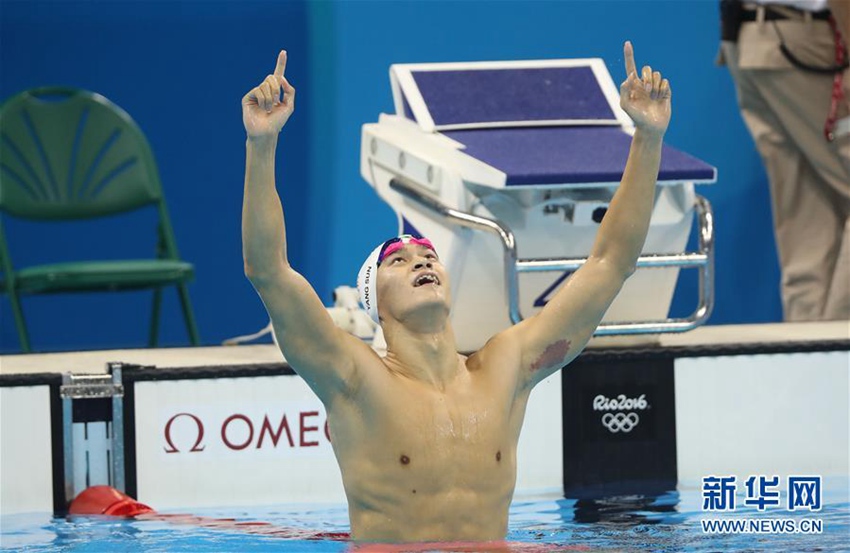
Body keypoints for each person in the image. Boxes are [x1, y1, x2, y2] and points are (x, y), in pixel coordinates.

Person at [241, 42, 671, 543]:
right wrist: (262, 144)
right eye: (397, 262)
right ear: (374, 305)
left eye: (428, 256)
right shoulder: (353, 379)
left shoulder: (505, 369)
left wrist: (648, 138)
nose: (421, 261)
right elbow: (268, 270)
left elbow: (610, 264)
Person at [719, 0, 850, 321]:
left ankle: (810, 356)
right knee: (807, 217)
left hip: (754, 39)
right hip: (805, 41)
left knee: (809, 220)